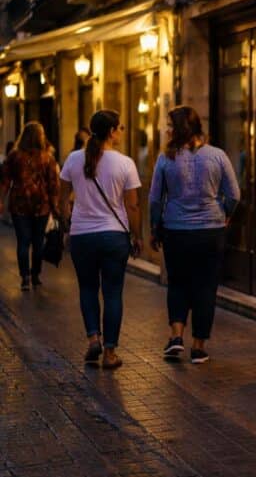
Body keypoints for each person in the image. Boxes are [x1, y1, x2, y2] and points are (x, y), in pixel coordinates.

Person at [149, 105, 239, 364]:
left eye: (169, 125)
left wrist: (155, 227)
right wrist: (224, 213)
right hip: (211, 230)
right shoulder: (217, 155)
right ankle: (198, 346)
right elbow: (234, 193)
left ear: (177, 129)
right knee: (205, 286)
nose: (167, 129)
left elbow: (155, 199)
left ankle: (176, 337)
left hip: (176, 230)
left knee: (177, 283)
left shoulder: (166, 158)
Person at [59, 110, 143, 370]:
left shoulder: (73, 159)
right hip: (113, 236)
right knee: (113, 292)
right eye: (121, 127)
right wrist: (137, 235)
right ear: (112, 131)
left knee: (87, 289)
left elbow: (62, 199)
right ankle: (109, 353)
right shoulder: (125, 163)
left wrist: (66, 225)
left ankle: (93, 337)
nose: (122, 131)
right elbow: (133, 206)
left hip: (82, 235)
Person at [0, 122, 60, 290]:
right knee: (38, 241)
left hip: (19, 204)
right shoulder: (47, 157)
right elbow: (53, 185)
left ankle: (25, 277)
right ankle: (35, 275)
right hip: (41, 205)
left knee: (23, 242)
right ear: (41, 137)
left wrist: (1, 200)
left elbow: (5, 181)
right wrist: (55, 207)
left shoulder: (14, 156)